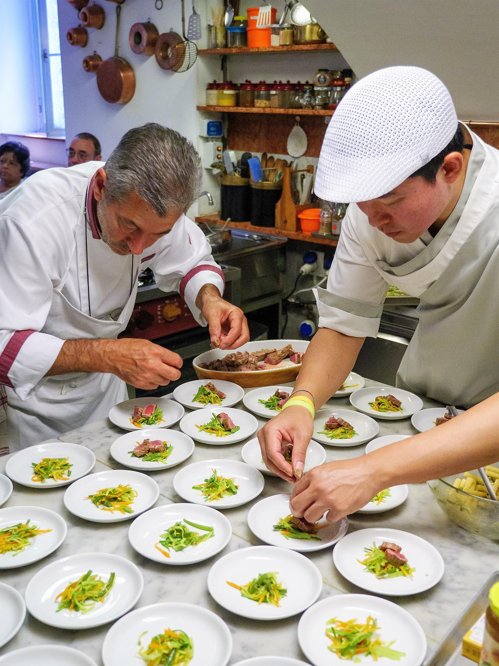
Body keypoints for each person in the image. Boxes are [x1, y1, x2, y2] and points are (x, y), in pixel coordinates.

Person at [258, 66, 499, 512]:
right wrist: (302, 404)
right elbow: (344, 326)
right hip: (422, 418)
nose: (373, 222)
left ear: (450, 168)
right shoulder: (373, 209)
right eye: (362, 208)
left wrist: (375, 470)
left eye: (389, 205)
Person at [0, 123, 249, 450]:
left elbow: (193, 260)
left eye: (156, 235)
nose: (138, 248)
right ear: (102, 186)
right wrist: (107, 353)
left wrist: (210, 298)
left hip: (104, 392)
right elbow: (5, 346)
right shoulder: (32, 220)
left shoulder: (153, 209)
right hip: (30, 406)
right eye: (128, 226)